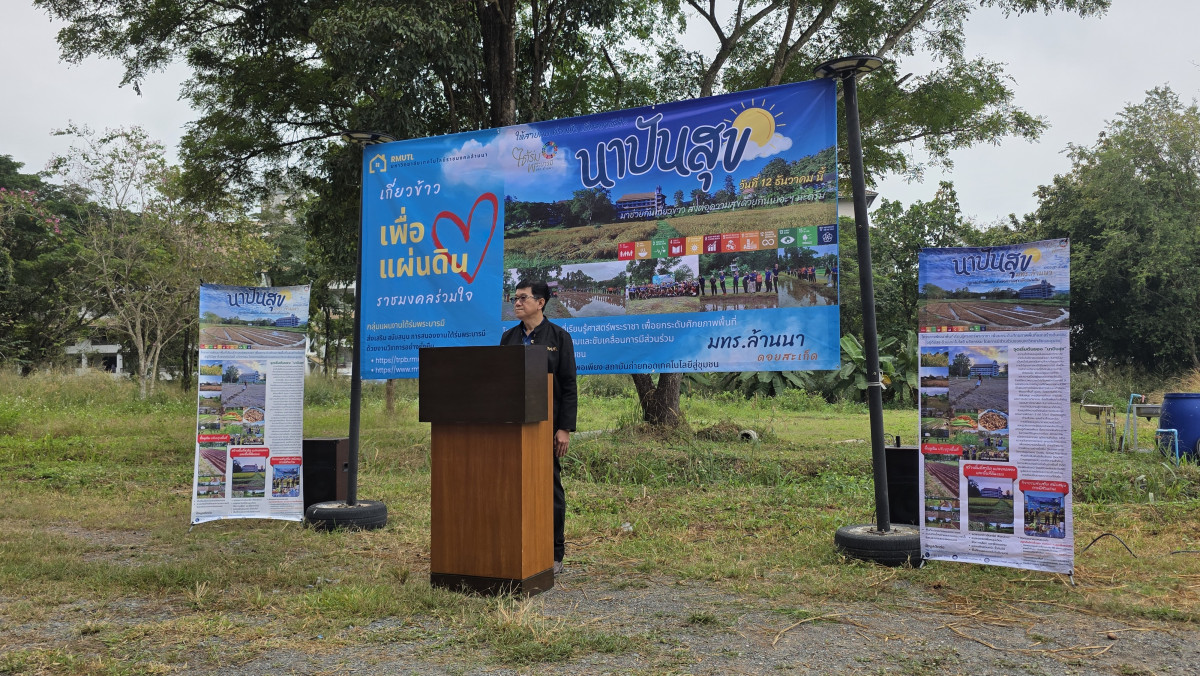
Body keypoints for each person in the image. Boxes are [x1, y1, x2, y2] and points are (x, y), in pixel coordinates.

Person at [500, 280, 578, 575]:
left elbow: (568, 385)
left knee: (549, 489)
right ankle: (519, 546)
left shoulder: (559, 337)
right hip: (513, 427)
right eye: (515, 298)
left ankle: (554, 553)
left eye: (523, 298)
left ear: (541, 302)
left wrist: (564, 428)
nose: (517, 303)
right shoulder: (508, 338)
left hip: (546, 427)